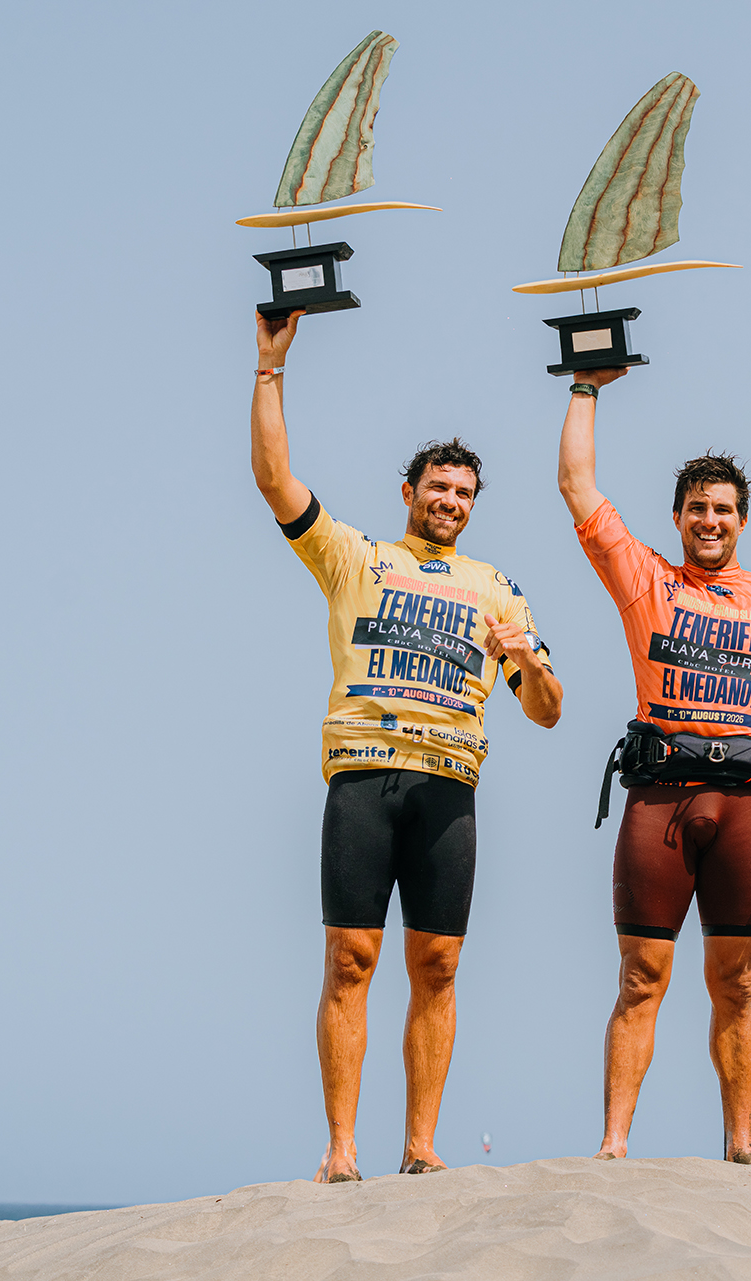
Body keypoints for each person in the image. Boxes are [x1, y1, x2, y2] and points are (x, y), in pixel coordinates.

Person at [252, 309, 563, 1182]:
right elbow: (274, 480)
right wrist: (270, 367)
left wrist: (526, 659)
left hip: (446, 790)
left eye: (463, 493)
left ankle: (421, 1145)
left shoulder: (496, 589)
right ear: (409, 493)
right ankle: (341, 1148)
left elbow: (547, 711)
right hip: (362, 780)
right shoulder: (357, 558)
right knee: (350, 959)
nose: (449, 501)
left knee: (438, 963)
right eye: (437, 487)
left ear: (474, 505)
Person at [556, 365, 751, 1164]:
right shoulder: (646, 578)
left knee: (736, 983)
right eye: (697, 508)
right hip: (661, 800)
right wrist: (585, 388)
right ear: (676, 516)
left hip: (747, 805)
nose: (710, 520)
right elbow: (576, 484)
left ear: (743, 519)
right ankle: (613, 1144)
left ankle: (740, 1147)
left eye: (723, 510)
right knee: (640, 977)